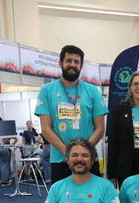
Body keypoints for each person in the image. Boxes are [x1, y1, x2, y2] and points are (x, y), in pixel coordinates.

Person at [35, 45, 108, 183]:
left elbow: (100, 128)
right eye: (68, 60)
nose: (72, 64)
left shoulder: (93, 91)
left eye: (76, 61)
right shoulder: (46, 91)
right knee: (62, 197)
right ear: (60, 63)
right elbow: (45, 128)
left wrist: (82, 153)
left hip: (88, 160)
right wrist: (68, 153)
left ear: (81, 66)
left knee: (92, 197)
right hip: (60, 161)